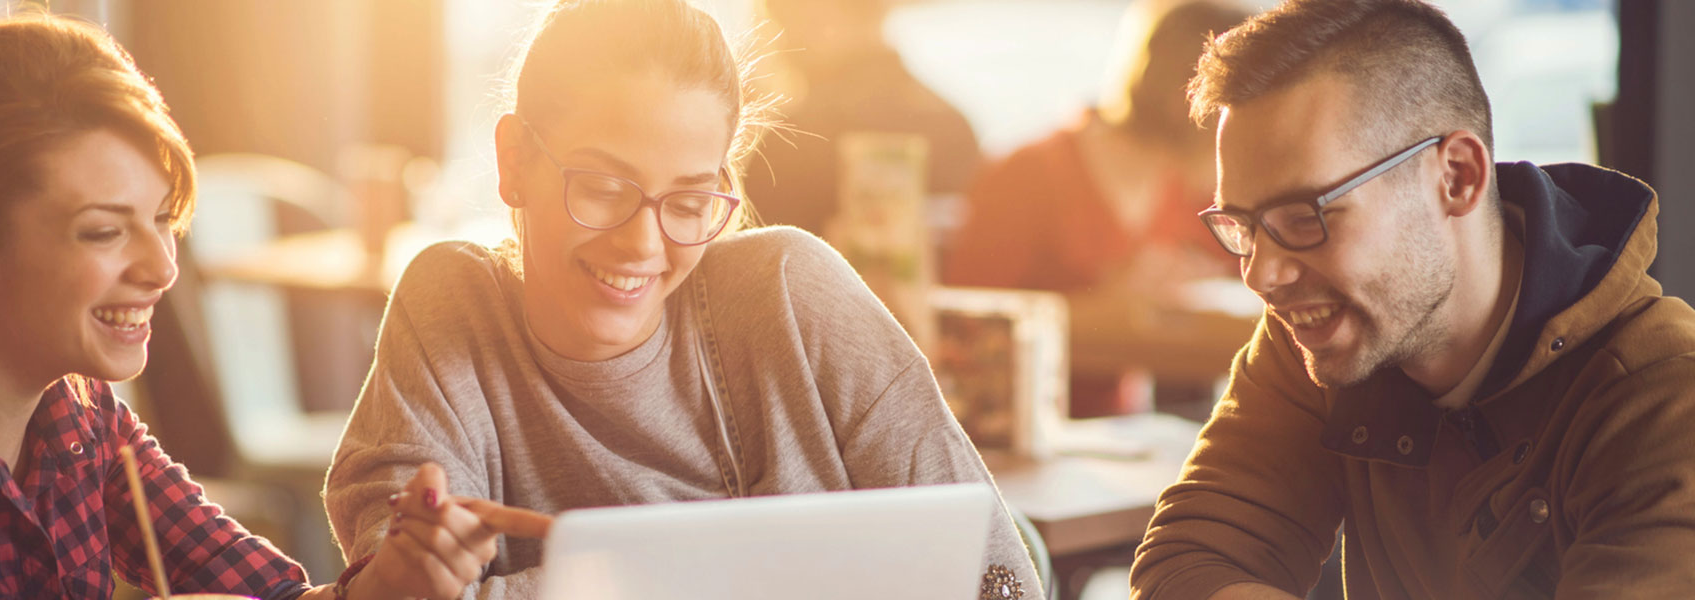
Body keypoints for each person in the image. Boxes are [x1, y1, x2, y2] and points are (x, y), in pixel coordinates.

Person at [322, 1, 1042, 599]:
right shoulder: (453, 303)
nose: (644, 244)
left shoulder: (794, 292)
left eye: (690, 201)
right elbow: (396, 570)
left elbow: (995, 572)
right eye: (603, 188)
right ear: (515, 162)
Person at [0, 12, 486, 599]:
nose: (162, 268)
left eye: (164, 220)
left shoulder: (85, 423)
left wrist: (392, 584)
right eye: (105, 231)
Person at [1130, 0, 1695, 598]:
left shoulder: (1661, 401)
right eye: (1244, 225)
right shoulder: (1321, 339)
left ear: (1456, 177)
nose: (1261, 275)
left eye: (1304, 217)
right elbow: (1188, 560)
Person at [944, 0, 1250, 418]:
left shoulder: (1192, 187)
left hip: (1125, 430)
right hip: (1027, 430)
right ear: (1196, 98)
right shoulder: (1027, 174)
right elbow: (963, 334)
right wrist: (1104, 306)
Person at [740, 0, 982, 237]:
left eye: (778, 22)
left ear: (818, 15)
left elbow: (748, 262)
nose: (778, 46)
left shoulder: (796, 139)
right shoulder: (954, 125)